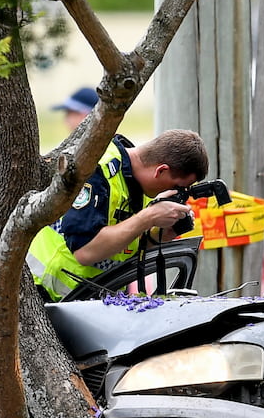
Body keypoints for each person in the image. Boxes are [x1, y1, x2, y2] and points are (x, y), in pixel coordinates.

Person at [29, 129, 209, 301]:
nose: (177, 194)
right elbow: (84, 251)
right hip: (45, 294)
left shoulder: (141, 183)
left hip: (88, 302)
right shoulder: (97, 169)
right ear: (161, 170)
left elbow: (120, 248)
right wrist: (149, 217)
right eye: (177, 187)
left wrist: (156, 237)